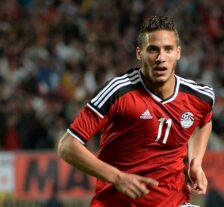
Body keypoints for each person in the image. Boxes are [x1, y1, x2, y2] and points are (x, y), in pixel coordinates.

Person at [57, 15, 215, 207]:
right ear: (139, 53)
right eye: (153, 50)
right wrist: (118, 178)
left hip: (174, 202)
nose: (160, 58)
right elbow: (67, 146)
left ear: (178, 53)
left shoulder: (200, 97)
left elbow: (204, 120)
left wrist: (196, 163)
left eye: (168, 49)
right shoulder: (118, 92)